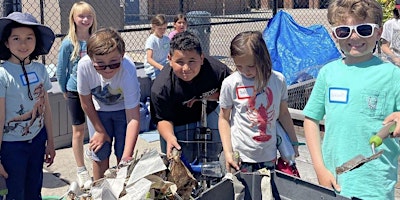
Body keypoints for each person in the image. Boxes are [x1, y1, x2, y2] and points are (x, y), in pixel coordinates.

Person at [303, 0, 400, 199]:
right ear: (334, 35)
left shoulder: (392, 75)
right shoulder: (328, 73)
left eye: (364, 29)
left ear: (379, 32)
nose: (354, 36)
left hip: (375, 185)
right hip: (335, 180)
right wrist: (320, 168)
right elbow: (311, 120)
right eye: (344, 31)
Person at [219, 31, 299, 173]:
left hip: (269, 154)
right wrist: (228, 152)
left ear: (262, 58)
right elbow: (224, 118)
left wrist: (293, 143)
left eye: (251, 66)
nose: (245, 71)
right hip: (241, 155)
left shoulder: (278, 80)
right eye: (239, 66)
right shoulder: (231, 83)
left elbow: (284, 113)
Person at [151, 31, 231, 162]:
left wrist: (213, 96)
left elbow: (236, 93)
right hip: (177, 122)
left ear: (202, 58)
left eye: (192, 61)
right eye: (180, 62)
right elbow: (162, 118)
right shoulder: (161, 87)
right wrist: (170, 137)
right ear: (169, 59)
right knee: (178, 161)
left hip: (209, 111)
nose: (186, 68)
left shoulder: (218, 71)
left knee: (216, 157)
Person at [0, 12, 56, 199]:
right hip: (11, 146)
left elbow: (46, 108)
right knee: (15, 192)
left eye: (29, 38)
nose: (23, 44)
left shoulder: (40, 69)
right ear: (6, 43)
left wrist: (51, 142)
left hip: (37, 140)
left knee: (34, 188)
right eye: (16, 38)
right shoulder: (3, 74)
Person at [77, 28, 141, 181]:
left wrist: (127, 157)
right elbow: (85, 102)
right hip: (98, 111)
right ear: (90, 58)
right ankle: (99, 191)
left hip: (124, 112)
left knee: (123, 154)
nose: (107, 69)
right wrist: (99, 130)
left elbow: (133, 118)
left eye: (113, 63)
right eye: (100, 65)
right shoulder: (83, 66)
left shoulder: (128, 69)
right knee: (100, 153)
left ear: (122, 55)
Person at [56, 1, 97, 189]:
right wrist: (65, 90)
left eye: (88, 16)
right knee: (78, 131)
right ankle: (81, 169)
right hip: (74, 91)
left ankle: (97, 163)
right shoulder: (68, 43)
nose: (85, 19)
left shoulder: (95, 39)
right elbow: (61, 70)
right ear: (73, 18)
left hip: (95, 91)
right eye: (81, 16)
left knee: (97, 129)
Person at [144, 14, 170, 81]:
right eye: (160, 28)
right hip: (153, 69)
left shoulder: (166, 39)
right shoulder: (151, 40)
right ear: (154, 27)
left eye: (164, 28)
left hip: (165, 65)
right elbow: (149, 59)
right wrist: (161, 67)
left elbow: (169, 54)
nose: (162, 31)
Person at [380, 1, 400, 66]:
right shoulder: (390, 24)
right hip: (393, 65)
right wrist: (396, 59)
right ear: (397, 8)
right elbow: (384, 46)